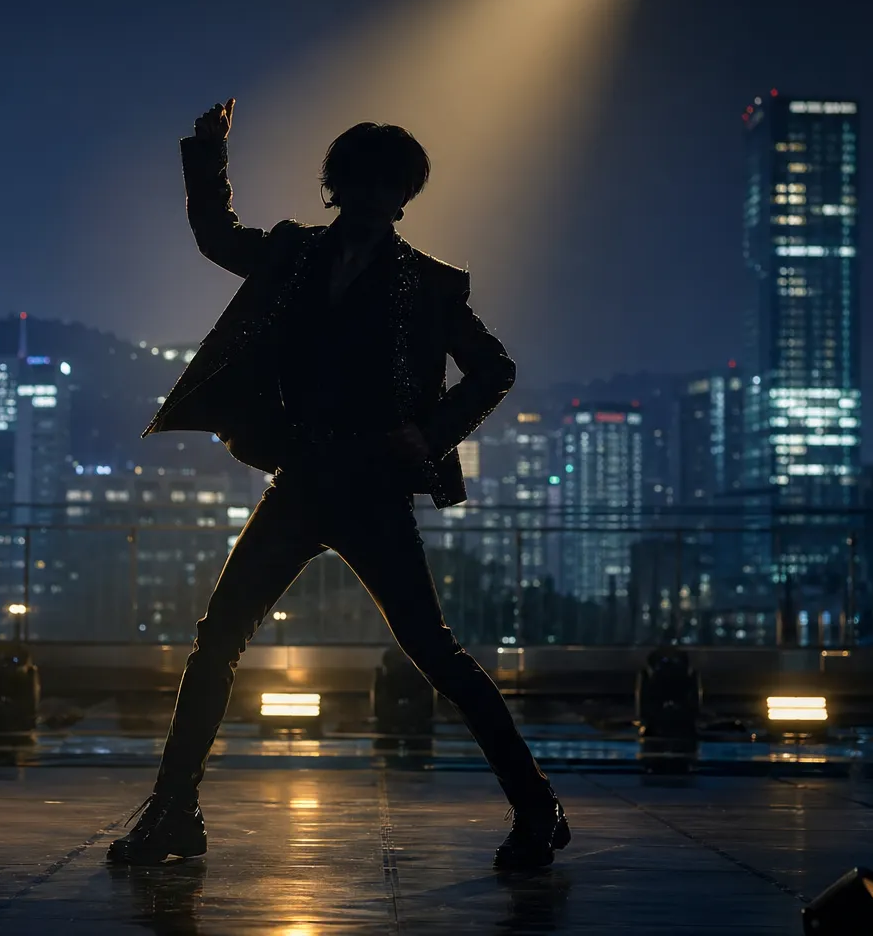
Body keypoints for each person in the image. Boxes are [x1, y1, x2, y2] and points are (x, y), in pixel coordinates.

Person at [107, 99, 566, 869]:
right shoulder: (296, 256)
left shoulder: (426, 285)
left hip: (372, 490)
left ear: (400, 197)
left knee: (435, 654)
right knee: (217, 640)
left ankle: (536, 806)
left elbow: (495, 370)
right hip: (301, 479)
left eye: (384, 187)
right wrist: (208, 152)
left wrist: (430, 434)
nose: (370, 198)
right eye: (358, 183)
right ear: (339, 187)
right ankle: (174, 811)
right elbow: (216, 237)